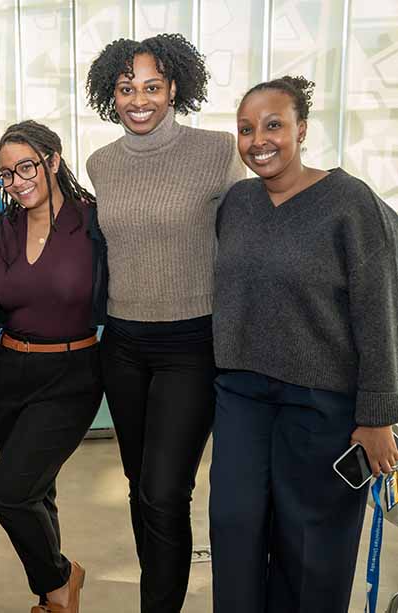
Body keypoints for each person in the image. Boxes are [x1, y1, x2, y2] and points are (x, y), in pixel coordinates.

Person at [209, 75, 398, 613]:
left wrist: (377, 417)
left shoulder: (348, 202)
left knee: (312, 542)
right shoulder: (238, 203)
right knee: (234, 522)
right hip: (242, 394)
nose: (258, 140)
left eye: (273, 125)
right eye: (246, 129)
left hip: (324, 403)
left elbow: (379, 311)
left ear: (302, 130)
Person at [84, 33, 245, 613]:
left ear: (175, 87)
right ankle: (160, 593)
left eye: (152, 86)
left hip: (192, 345)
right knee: (139, 488)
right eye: (126, 88)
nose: (139, 100)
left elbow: (258, 225)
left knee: (165, 491)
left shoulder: (217, 150)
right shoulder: (101, 164)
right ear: (111, 93)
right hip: (123, 345)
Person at [0, 120, 108, 613]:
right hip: (9, 372)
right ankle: (53, 600)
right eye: (6, 174)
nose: (17, 181)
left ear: (53, 160)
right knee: (37, 490)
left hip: (72, 374)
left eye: (27, 166)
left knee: (7, 491)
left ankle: (60, 581)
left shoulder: (93, 221)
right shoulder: (4, 226)